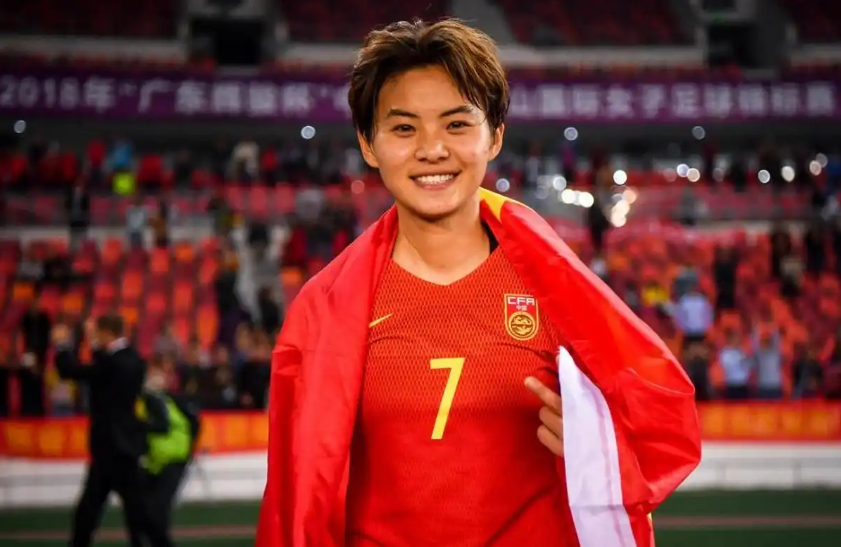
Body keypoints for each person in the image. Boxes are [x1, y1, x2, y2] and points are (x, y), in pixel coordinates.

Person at [256, 19, 701, 547]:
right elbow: (297, 499)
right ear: (368, 145)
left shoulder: (558, 291)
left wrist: (600, 447)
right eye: (404, 129)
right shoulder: (323, 311)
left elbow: (655, 424)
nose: (432, 149)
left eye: (456, 124)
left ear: (495, 137)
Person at [52, 315, 164, 547]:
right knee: (133, 513)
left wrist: (62, 345)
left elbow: (71, 371)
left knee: (99, 512)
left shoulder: (113, 363)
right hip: (123, 446)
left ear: (105, 333)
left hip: (112, 448)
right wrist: (94, 343)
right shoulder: (132, 358)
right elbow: (102, 367)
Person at [137, 355, 202, 547]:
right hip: (155, 462)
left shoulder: (167, 401)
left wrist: (188, 451)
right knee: (148, 513)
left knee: (157, 512)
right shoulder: (149, 400)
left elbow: (164, 426)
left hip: (172, 460)